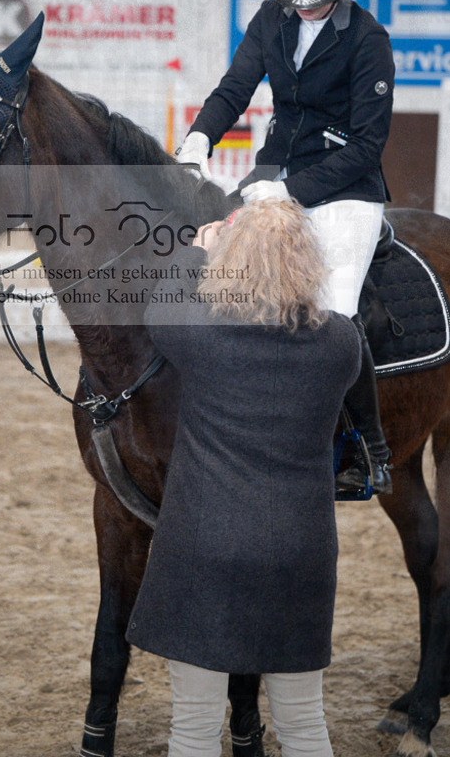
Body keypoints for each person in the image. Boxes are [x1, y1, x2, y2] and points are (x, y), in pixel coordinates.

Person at [126, 200, 362, 757]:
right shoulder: (342, 344)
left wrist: (195, 252)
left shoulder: (199, 336)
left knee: (194, 729)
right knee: (305, 725)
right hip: (301, 552)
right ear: (308, 262)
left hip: (203, 548)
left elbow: (164, 303)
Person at [177, 0, 394, 494]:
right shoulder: (270, 21)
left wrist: (290, 191)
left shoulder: (369, 40)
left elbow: (370, 144)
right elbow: (233, 90)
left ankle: (367, 449)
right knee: (215, 274)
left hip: (345, 187)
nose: (301, 4)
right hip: (274, 169)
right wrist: (198, 141)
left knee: (337, 314)